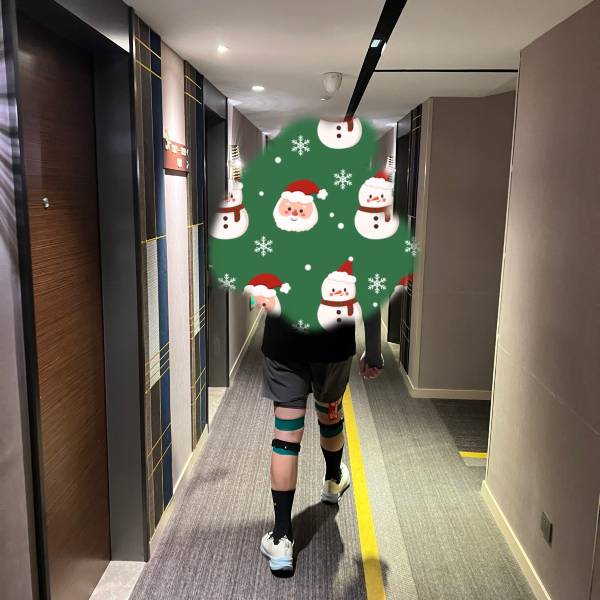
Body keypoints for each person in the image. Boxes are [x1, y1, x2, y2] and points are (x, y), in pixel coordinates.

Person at [258, 307, 383, 573]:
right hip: (334, 341)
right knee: (330, 412)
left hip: (284, 338)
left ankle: (281, 538)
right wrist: (373, 352)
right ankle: (333, 481)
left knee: (286, 436)